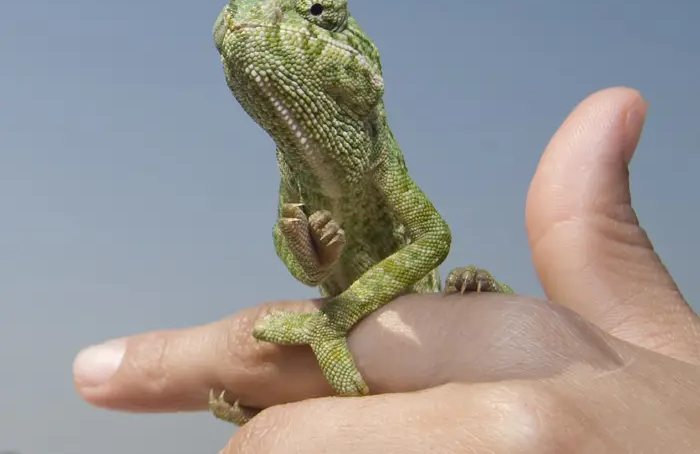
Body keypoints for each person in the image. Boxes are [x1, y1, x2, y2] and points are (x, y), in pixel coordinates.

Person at [74, 87, 700, 453]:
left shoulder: (379, 155)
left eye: (317, 11)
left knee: (487, 308)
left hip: (409, 328)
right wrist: (312, 256)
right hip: (352, 350)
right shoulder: (294, 172)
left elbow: (432, 237)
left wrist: (336, 317)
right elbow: (298, 260)